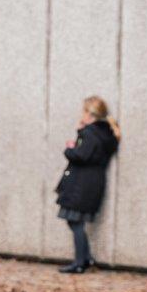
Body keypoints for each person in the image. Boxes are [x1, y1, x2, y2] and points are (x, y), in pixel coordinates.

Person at [55, 96, 120, 274]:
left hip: (81, 184)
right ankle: (85, 258)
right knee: (76, 221)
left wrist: (70, 148)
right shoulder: (107, 133)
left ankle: (80, 262)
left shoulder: (90, 133)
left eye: (83, 111)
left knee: (75, 222)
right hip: (93, 182)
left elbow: (81, 155)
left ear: (90, 114)